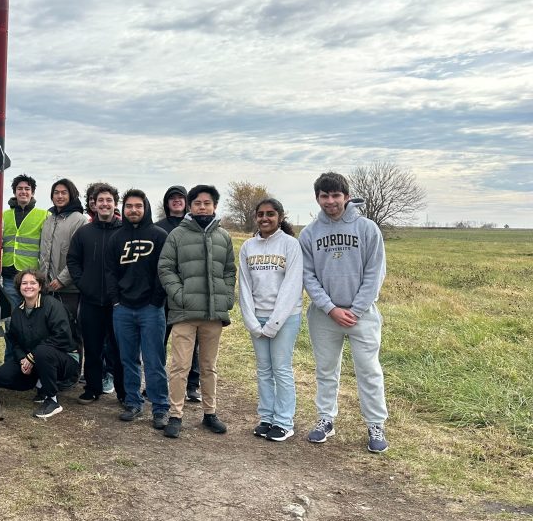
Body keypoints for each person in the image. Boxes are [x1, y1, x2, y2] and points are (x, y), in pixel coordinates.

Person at [300, 172, 389, 453]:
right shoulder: (309, 234)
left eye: (336, 195)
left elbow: (375, 272)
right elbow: (308, 276)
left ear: (346, 197)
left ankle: (376, 424)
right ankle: (326, 419)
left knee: (369, 371)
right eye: (324, 196)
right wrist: (330, 309)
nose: (330, 201)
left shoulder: (367, 229)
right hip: (325, 316)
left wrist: (356, 309)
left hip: (362, 315)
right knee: (326, 370)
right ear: (317, 199)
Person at [157, 184, 236, 439]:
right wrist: (179, 295)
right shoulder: (177, 235)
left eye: (207, 203)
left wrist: (225, 298)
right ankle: (176, 414)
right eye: (198, 203)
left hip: (213, 315)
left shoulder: (223, 236)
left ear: (214, 206)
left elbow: (229, 271)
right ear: (191, 207)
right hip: (184, 314)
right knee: (179, 366)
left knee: (208, 366)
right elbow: (165, 268)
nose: (203, 207)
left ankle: (210, 413)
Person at [238, 197, 303, 442]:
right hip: (258, 318)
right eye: (261, 214)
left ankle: (284, 422)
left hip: (285, 318)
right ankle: (266, 417)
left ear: (280, 217)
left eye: (271, 214)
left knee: (281, 368)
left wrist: (274, 323)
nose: (265, 218)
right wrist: (252, 321)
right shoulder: (248, 247)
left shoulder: (290, 245)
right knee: (264, 370)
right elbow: (244, 285)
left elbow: (292, 285)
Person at [107, 189, 169, 427]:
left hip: (151, 309)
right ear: (123, 209)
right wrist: (115, 300)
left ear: (145, 208)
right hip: (122, 309)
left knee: (154, 361)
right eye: (129, 206)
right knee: (128, 359)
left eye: (138, 206)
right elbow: (111, 272)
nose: (133, 210)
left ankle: (160, 407)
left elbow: (163, 272)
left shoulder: (159, 236)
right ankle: (133, 403)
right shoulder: (116, 238)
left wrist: (156, 301)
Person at [0, 269, 79, 419]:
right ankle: (40, 385)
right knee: (0, 376)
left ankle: (52, 400)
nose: (28, 286)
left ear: (40, 286)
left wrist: (32, 357)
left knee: (42, 352)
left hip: (64, 359)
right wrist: (22, 360)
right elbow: (15, 341)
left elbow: (63, 337)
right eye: (24, 283)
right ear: (19, 287)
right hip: (36, 359)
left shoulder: (52, 305)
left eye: (33, 283)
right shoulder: (18, 312)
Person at [67, 182, 124, 404]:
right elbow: (72, 260)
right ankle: (92, 388)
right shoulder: (84, 233)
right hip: (91, 301)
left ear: (114, 203)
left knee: (119, 350)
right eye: (100, 200)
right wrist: (84, 283)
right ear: (94, 204)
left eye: (108, 200)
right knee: (92, 347)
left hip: (118, 302)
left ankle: (123, 392)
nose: (104, 204)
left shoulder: (124, 231)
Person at [156, 184, 201, 403]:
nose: (176, 201)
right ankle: (157, 382)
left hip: (189, 294)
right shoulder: (158, 228)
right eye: (172, 198)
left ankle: (192, 386)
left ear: (187, 202)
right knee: (159, 341)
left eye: (180, 198)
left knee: (191, 343)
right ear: (167, 202)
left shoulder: (195, 226)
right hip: (163, 293)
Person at [38, 178, 85, 363]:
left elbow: (79, 256)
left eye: (63, 192)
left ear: (71, 194)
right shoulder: (49, 220)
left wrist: (62, 279)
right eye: (56, 192)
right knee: (50, 330)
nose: (59, 196)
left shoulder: (79, 220)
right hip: (48, 287)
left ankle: (72, 372)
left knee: (71, 331)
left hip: (69, 289)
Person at [1, 174, 48, 313]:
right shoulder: (4, 215)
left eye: (27, 188)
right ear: (15, 192)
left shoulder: (44, 215)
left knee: (31, 313)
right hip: (9, 274)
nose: (23, 191)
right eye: (19, 188)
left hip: (31, 275)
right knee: (12, 315)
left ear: (32, 192)